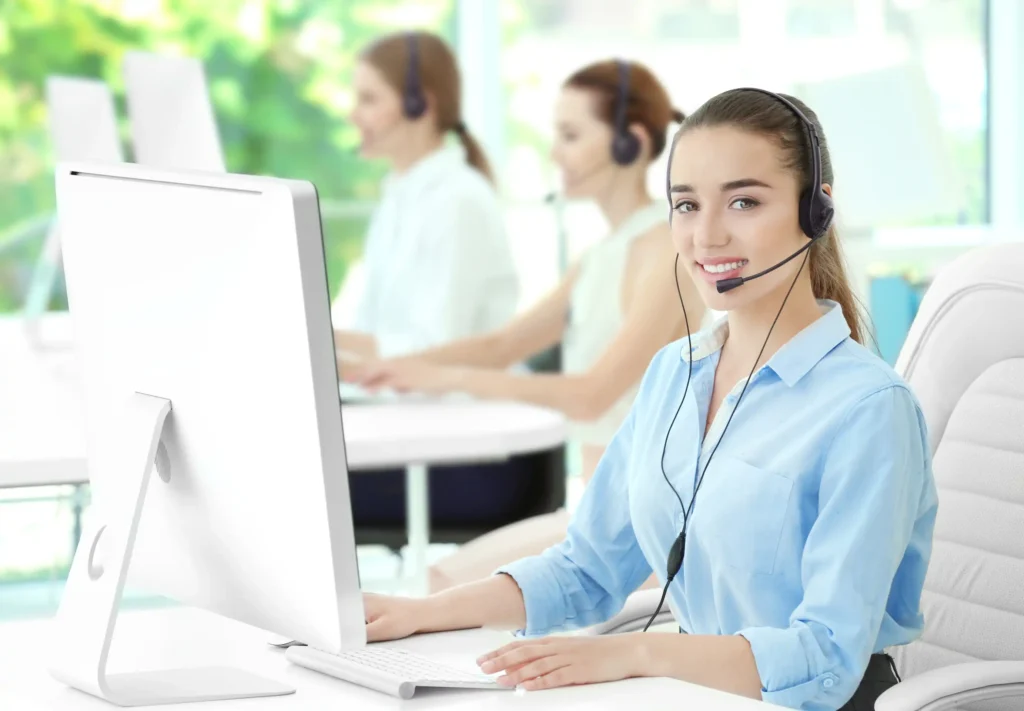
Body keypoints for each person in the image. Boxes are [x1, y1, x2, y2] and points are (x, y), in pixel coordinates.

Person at [355, 88, 940, 711]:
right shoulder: (674, 374)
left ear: (815, 210)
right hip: (688, 694)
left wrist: (635, 654)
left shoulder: (869, 409)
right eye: (685, 205)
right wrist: (421, 612)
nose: (707, 236)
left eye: (744, 201)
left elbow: (826, 657)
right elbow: (587, 568)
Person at [346, 59, 703, 592]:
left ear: (628, 142)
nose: (554, 153)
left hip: (647, 530)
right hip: (601, 517)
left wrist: (448, 380)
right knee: (444, 579)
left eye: (571, 135)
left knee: (449, 587)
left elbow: (591, 395)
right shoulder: (600, 254)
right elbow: (503, 343)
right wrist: (394, 368)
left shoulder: (665, 250)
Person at [333, 30, 518, 360]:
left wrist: (327, 341)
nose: (353, 115)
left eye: (369, 99)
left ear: (419, 105)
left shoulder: (459, 201)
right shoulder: (397, 197)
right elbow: (373, 326)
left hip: (453, 406)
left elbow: (437, 347)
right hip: (399, 400)